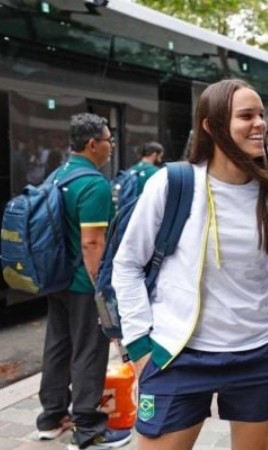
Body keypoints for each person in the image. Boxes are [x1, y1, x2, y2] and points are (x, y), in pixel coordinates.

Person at [112, 79, 268, 450]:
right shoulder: (173, 183)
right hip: (178, 354)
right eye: (246, 116)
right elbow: (127, 264)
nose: (260, 124)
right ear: (211, 126)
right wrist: (139, 346)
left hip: (259, 355)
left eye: (261, 115)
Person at [36, 113, 131, 449]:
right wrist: (102, 290)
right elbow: (92, 243)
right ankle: (89, 430)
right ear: (93, 144)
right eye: (109, 141)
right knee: (90, 352)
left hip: (56, 279)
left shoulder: (57, 175)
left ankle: (52, 418)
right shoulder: (94, 184)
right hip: (82, 283)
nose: (111, 147)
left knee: (58, 346)